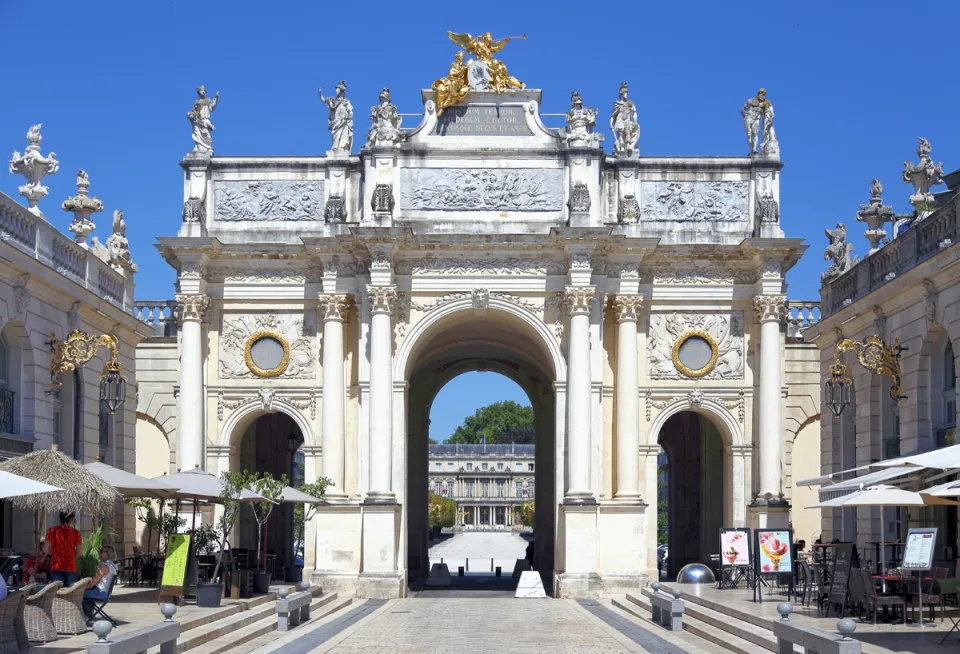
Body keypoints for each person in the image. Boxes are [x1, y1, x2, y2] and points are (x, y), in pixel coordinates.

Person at [46, 511, 82, 587]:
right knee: (70, 592)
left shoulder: (52, 531)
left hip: (56, 565)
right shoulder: (75, 533)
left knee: (56, 592)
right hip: (70, 565)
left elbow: (47, 550)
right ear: (71, 519)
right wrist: (71, 554)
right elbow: (80, 552)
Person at [83, 545, 117, 620]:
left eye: (100, 552)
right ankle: (89, 617)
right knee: (86, 595)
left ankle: (86, 618)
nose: (98, 554)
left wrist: (82, 588)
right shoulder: (112, 566)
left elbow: (93, 582)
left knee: (80, 594)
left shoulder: (104, 567)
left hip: (100, 593)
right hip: (104, 592)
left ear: (107, 553)